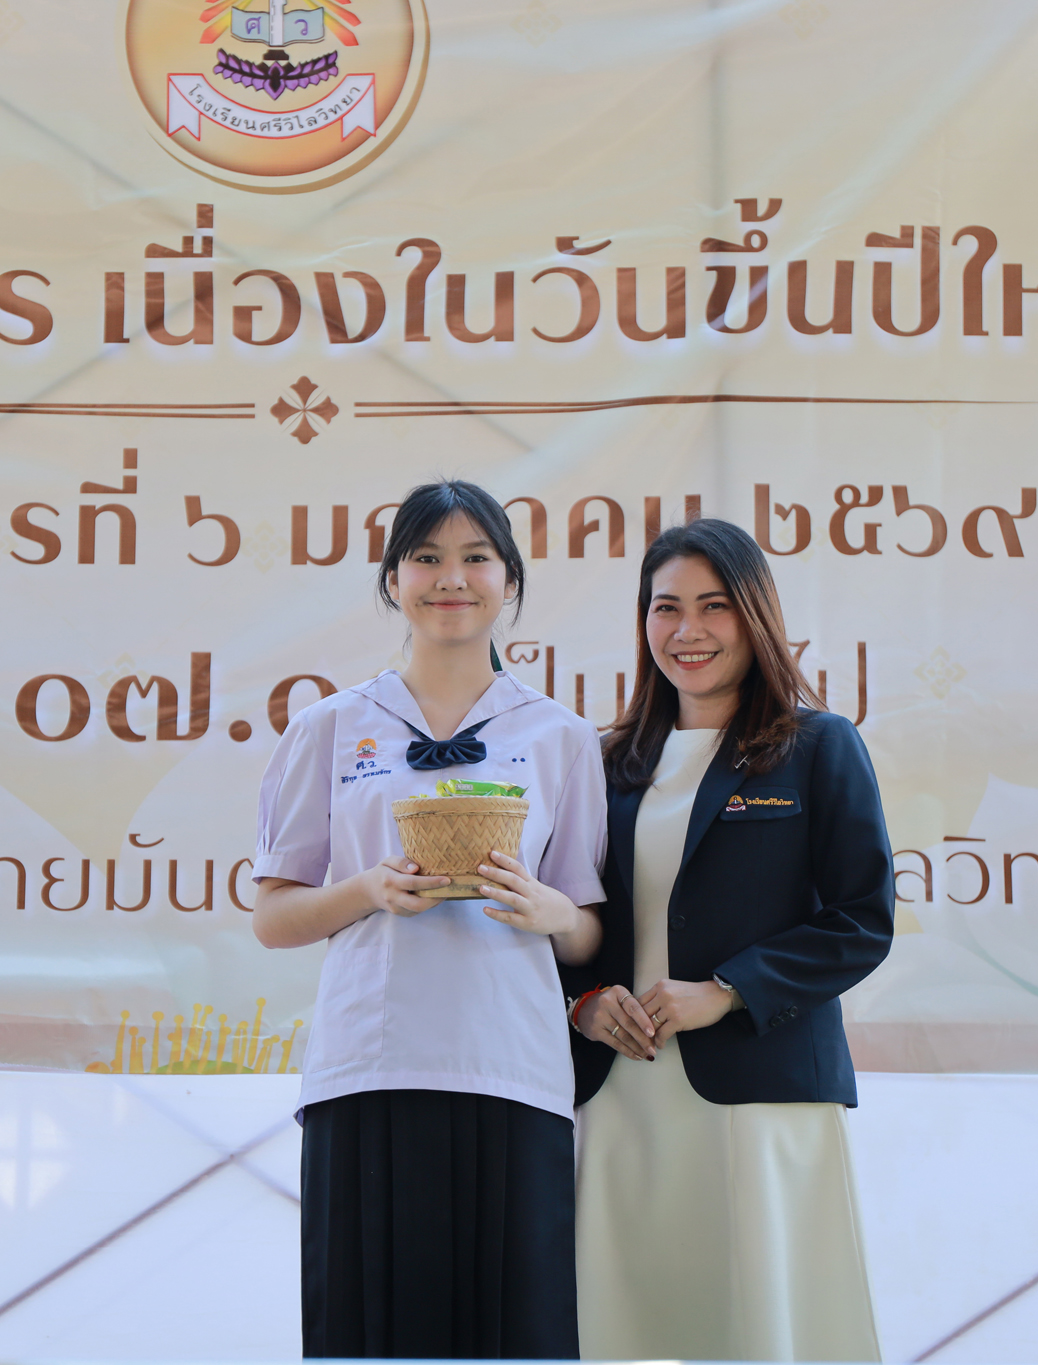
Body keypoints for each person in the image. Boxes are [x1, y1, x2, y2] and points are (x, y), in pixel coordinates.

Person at [253, 479, 608, 1359]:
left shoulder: (560, 736)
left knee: (516, 1334)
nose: (452, 578)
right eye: (426, 557)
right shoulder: (331, 726)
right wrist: (368, 889)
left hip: (514, 1067)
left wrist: (549, 908)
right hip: (369, 1065)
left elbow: (587, 930)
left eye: (476, 557)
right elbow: (275, 916)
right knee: (371, 1332)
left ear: (509, 580)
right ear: (393, 581)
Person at [565, 517, 894, 1362]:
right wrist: (584, 1004)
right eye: (666, 607)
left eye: (714, 605)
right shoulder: (603, 763)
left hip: (758, 1093)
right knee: (617, 1330)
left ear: (756, 614)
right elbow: (570, 923)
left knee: (763, 1330)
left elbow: (862, 919)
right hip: (621, 1097)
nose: (689, 630)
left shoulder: (817, 747)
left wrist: (728, 989)